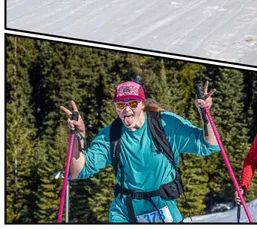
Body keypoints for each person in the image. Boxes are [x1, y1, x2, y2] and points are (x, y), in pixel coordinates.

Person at [60, 80, 219, 223]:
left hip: (163, 209)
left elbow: (210, 144)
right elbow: (78, 171)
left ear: (142, 104)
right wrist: (79, 134)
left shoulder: (166, 124)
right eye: (120, 105)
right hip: (125, 212)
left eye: (133, 103)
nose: (126, 110)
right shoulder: (111, 135)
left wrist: (204, 114)